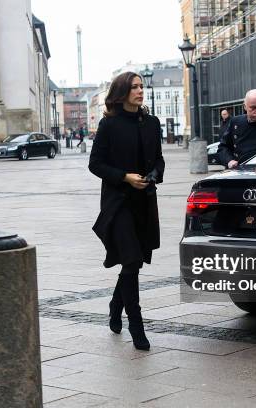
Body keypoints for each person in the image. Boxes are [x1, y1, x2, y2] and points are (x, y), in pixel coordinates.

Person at [88, 71, 165, 351]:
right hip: (118, 202)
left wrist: (152, 176)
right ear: (122, 92)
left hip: (143, 201)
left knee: (134, 262)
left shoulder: (152, 123)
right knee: (131, 260)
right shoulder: (109, 125)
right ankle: (137, 326)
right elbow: (95, 164)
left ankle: (115, 303)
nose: (140, 91)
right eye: (134, 87)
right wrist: (124, 177)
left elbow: (158, 160)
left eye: (142, 86)